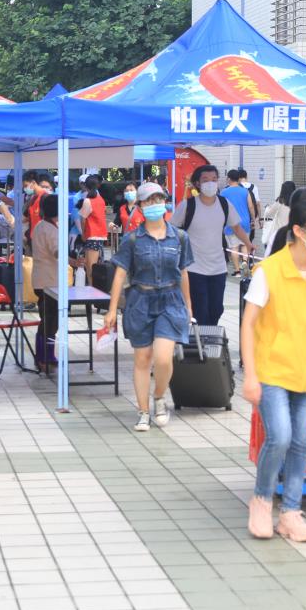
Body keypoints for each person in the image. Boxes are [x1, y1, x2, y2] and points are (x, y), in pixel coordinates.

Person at [242, 193, 306, 543]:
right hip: (272, 371)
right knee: (279, 437)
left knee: (299, 442)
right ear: (298, 230)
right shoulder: (269, 271)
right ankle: (262, 500)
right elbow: (248, 323)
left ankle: (291, 514)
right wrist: (251, 376)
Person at [105, 183, 194, 432]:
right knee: (143, 358)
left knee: (163, 358)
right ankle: (143, 411)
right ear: (141, 207)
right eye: (149, 201)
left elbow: (183, 272)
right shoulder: (132, 239)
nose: (155, 204)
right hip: (140, 301)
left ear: (165, 202)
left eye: (159, 199)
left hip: (171, 300)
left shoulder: (180, 237)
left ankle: (159, 396)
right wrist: (112, 309)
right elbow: (120, 274)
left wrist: (189, 306)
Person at [173, 164, 255, 325]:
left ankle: (209, 336)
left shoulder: (224, 204)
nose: (210, 183)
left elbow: (236, 227)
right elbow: (172, 229)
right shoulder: (188, 206)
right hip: (193, 269)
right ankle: (201, 339)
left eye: (214, 179)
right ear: (197, 183)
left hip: (218, 268)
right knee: (200, 310)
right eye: (205, 180)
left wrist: (248, 243)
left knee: (216, 309)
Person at [31, 194, 64, 372]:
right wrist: (72, 260)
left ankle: (48, 355)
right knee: (49, 321)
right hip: (48, 282)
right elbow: (57, 252)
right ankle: (43, 357)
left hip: (42, 279)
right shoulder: (50, 230)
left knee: (49, 320)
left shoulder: (40, 226)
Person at [220, 169, 257, 276]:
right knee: (245, 244)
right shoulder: (245, 191)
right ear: (238, 179)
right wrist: (253, 219)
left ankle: (237, 271)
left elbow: (220, 208)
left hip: (231, 223)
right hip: (244, 222)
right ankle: (244, 262)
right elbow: (251, 206)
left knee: (234, 247)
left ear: (229, 179)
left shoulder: (224, 192)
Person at [78, 174, 108, 282]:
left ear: (86, 186)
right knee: (93, 266)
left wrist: (83, 233)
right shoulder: (101, 200)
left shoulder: (87, 201)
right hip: (100, 235)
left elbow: (83, 219)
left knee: (90, 267)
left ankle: (92, 289)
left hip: (91, 235)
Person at [262, 180, 296, 253]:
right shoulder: (297, 203)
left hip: (277, 236)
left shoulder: (280, 201)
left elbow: (269, 214)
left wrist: (267, 208)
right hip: (290, 238)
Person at [238, 169, 261, 234]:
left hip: (240, 217)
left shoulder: (236, 187)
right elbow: (257, 203)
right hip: (251, 217)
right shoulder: (254, 187)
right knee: (250, 236)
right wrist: (259, 217)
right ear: (246, 177)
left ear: (238, 177)